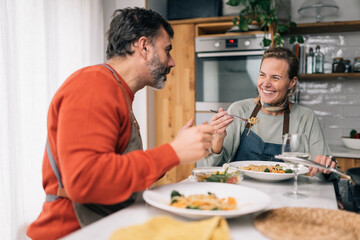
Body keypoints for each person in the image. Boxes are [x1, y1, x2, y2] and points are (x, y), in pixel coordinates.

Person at [26, 7, 213, 240]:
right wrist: (172, 152)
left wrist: (177, 148)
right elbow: (84, 181)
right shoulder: (93, 86)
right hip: (72, 233)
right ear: (144, 47)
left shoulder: (116, 90)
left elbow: (119, 174)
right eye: (167, 50)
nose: (172, 62)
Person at [207, 47, 338, 179]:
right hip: (241, 193)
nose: (265, 84)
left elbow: (327, 175)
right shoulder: (239, 110)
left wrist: (325, 166)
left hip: (285, 196)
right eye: (262, 75)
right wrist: (217, 138)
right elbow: (213, 170)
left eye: (275, 78)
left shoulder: (305, 118)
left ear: (292, 82)